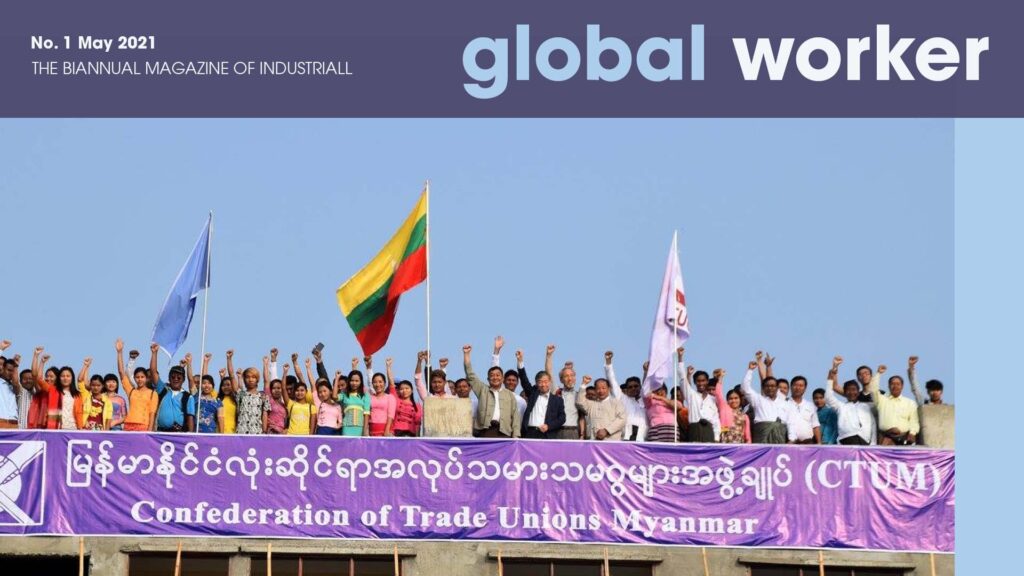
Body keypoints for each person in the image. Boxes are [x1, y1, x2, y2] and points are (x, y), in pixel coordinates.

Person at [463, 344, 521, 438]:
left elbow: (515, 417)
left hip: (504, 433)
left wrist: (516, 436)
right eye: (492, 375)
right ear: (488, 379)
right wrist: (466, 354)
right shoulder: (483, 390)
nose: (495, 377)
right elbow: (470, 375)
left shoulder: (509, 395)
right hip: (485, 432)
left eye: (498, 375)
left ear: (502, 379)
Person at [739, 352, 790, 444]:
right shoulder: (758, 400)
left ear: (777, 388)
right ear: (763, 388)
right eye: (767, 386)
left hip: (779, 435)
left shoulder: (784, 402)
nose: (770, 388)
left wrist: (768, 367)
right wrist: (750, 370)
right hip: (762, 434)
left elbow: (791, 422)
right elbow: (745, 388)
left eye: (773, 386)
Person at [824, 356, 875, 445]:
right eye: (848, 390)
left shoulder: (873, 401)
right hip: (847, 440)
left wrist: (873, 444)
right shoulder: (841, 406)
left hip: (865, 441)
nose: (851, 392)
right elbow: (830, 393)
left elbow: (873, 424)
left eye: (866, 373)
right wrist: (834, 368)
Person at [517, 349, 565, 439]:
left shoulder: (557, 400)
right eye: (540, 382)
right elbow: (524, 380)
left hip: (547, 434)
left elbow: (562, 418)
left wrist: (549, 426)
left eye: (545, 381)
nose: (543, 384)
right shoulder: (532, 394)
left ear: (550, 382)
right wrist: (520, 361)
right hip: (530, 433)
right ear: (536, 383)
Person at [676, 348, 720, 443]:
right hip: (694, 429)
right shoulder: (691, 395)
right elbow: (682, 378)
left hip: (709, 431)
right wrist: (680, 357)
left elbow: (716, 419)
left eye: (703, 381)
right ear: (695, 382)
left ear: (707, 381)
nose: (701, 383)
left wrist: (716, 438)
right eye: (698, 381)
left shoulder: (712, 399)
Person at [867, 366, 919, 446]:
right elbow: (873, 390)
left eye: (898, 384)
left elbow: (914, 421)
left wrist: (912, 433)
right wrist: (878, 374)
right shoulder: (881, 400)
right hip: (885, 438)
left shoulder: (910, 403)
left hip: (904, 439)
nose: (895, 386)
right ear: (888, 386)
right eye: (892, 384)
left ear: (902, 386)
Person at [604, 351, 647, 442]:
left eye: (636, 386)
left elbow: (647, 384)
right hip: (626, 439)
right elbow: (612, 381)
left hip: (643, 440)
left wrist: (646, 371)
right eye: (630, 387)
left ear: (640, 387)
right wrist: (608, 362)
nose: (633, 388)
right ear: (626, 389)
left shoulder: (645, 399)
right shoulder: (623, 399)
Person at [151, 343, 195, 432]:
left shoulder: (188, 397)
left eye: (179, 378)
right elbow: (153, 372)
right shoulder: (163, 389)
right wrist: (154, 353)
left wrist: (191, 436)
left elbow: (190, 417)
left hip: (179, 434)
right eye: (173, 377)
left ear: (183, 380)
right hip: (160, 433)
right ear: (169, 378)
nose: (175, 379)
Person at [116, 339, 158, 432]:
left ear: (146, 378)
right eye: (137, 377)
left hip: (143, 426)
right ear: (134, 378)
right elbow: (121, 372)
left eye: (142, 377)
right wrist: (119, 352)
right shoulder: (131, 391)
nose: (140, 379)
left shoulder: (152, 393)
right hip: (128, 425)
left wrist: (149, 431)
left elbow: (152, 413)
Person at [575, 375, 626, 441]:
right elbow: (580, 402)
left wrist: (607, 430)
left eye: (603, 388)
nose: (601, 391)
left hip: (612, 442)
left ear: (609, 389)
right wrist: (584, 384)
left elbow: (622, 419)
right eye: (598, 388)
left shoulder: (616, 403)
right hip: (594, 441)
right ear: (595, 390)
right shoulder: (591, 404)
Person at [493, 336, 527, 421]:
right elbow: (494, 372)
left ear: (517, 383)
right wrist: (496, 351)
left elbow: (521, 421)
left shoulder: (521, 401)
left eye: (514, 380)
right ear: (503, 381)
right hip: (496, 428)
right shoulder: (497, 394)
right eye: (508, 380)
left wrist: (520, 361)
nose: (511, 382)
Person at [281, 363, 314, 435]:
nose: (299, 393)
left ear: (306, 392)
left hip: (305, 436)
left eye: (302, 390)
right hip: (291, 436)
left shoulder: (311, 407)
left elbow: (312, 427)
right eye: (297, 390)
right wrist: (285, 372)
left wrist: (310, 438)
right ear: (294, 392)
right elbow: (283, 388)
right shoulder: (291, 404)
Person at [786, 375, 821, 444]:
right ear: (790, 387)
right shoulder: (784, 403)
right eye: (795, 385)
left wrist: (819, 443)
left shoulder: (810, 405)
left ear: (805, 388)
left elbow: (815, 425)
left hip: (809, 443)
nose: (798, 388)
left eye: (801, 386)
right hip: (790, 443)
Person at [368, 359, 396, 436]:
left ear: (385, 383)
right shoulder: (369, 397)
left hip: (386, 431)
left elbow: (391, 415)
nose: (378, 384)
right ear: (372, 384)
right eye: (375, 382)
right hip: (372, 431)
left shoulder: (390, 397)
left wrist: (386, 431)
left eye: (380, 382)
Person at [341, 366, 370, 436]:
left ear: (361, 382)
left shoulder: (365, 395)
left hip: (360, 427)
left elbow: (366, 414)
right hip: (346, 427)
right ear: (349, 381)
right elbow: (334, 397)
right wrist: (337, 378)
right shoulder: (344, 394)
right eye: (352, 380)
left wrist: (365, 430)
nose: (354, 383)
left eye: (357, 381)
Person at [0, 341, 20, 429]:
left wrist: (16, 366)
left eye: (12, 371)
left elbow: (15, 382)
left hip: (14, 424)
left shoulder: (14, 386)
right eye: (8, 370)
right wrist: (1, 349)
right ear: (2, 369)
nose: (11, 373)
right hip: (1, 422)